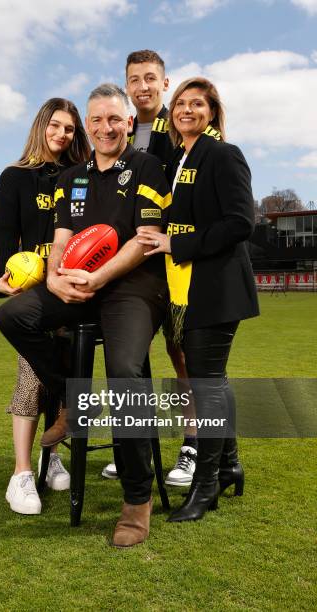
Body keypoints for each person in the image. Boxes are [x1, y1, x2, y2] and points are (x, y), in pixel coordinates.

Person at [0, 84, 171, 547]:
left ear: (128, 123)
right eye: (96, 120)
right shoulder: (71, 177)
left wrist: (98, 278)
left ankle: (137, 500)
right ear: (89, 126)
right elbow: (61, 238)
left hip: (132, 286)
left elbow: (145, 237)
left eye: (114, 119)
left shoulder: (148, 167)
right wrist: (54, 278)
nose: (105, 127)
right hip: (76, 281)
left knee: (124, 371)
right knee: (14, 316)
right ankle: (73, 402)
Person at [137, 77, 259, 522]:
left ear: (212, 112)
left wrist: (176, 244)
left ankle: (205, 485)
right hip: (192, 290)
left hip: (218, 288)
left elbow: (241, 222)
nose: (187, 110)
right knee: (214, 381)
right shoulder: (183, 159)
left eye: (197, 104)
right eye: (181, 104)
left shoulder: (223, 153)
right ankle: (228, 465)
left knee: (208, 385)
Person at [0, 98, 91, 515]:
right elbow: (6, 233)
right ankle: (22, 473)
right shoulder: (15, 176)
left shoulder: (81, 176)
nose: (61, 134)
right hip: (32, 291)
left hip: (71, 288)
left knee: (60, 367)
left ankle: (53, 458)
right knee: (33, 377)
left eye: (69, 128)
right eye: (55, 126)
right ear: (41, 126)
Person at [101, 49, 198, 486]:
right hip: (128, 268)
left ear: (165, 81)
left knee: (184, 358)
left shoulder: (177, 129)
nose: (142, 86)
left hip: (174, 262)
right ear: (126, 85)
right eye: (134, 79)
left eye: (150, 78)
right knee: (132, 361)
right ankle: (134, 451)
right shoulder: (117, 129)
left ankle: (193, 446)